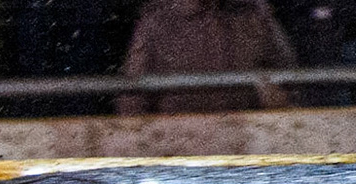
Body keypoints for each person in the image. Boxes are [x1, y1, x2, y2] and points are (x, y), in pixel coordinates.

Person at [117, 0, 299, 114]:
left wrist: (280, 106)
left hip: (247, 142)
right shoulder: (157, 20)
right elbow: (132, 99)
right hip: (177, 145)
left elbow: (291, 83)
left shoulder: (255, 14)